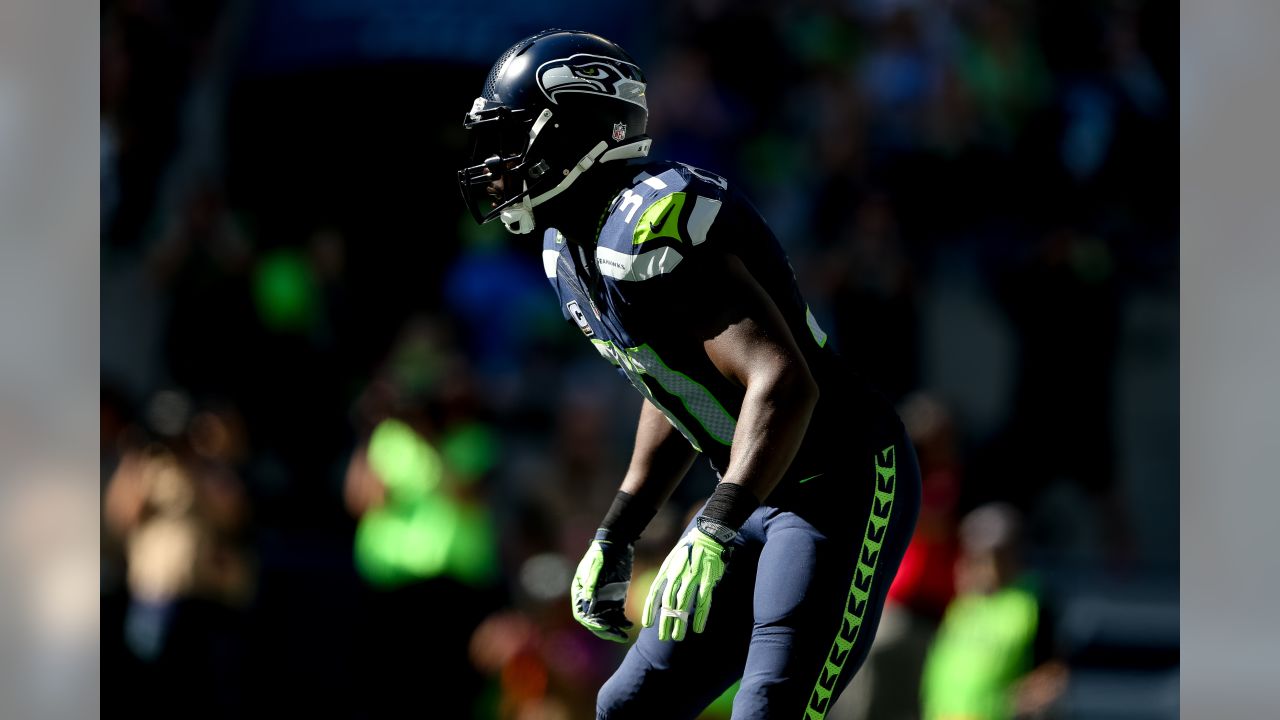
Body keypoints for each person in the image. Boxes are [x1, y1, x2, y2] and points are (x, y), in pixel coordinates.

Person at [456, 29, 922, 719]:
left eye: (518, 133)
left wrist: (714, 524)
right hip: (756, 488)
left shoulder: (648, 226)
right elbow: (671, 382)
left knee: (769, 710)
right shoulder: (571, 249)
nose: (499, 157)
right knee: (629, 705)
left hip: (840, 481)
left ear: (579, 129)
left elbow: (784, 381)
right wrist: (619, 528)